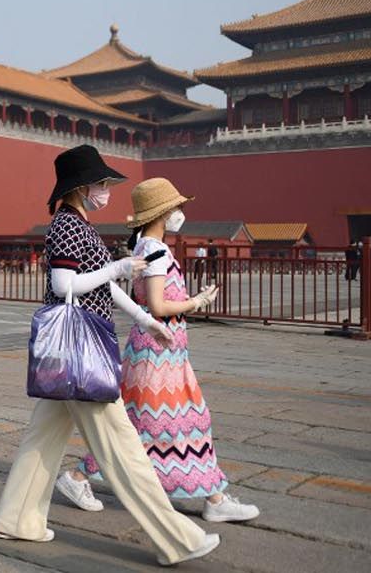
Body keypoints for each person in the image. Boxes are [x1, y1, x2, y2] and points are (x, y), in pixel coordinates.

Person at [0, 144, 219, 567]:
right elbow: (64, 286)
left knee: (42, 439)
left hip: (74, 354)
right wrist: (116, 269)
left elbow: (104, 287)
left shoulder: (79, 223)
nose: (106, 189)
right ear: (81, 186)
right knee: (124, 450)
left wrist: (144, 319)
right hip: (82, 351)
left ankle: (17, 519)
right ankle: (176, 539)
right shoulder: (66, 225)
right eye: (102, 183)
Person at [60, 178, 259, 524]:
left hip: (159, 351)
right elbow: (156, 304)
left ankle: (80, 477)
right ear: (165, 213)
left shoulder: (144, 247)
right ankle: (214, 497)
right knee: (175, 422)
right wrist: (196, 301)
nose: (180, 213)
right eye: (177, 207)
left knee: (142, 424)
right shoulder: (155, 250)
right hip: (158, 352)